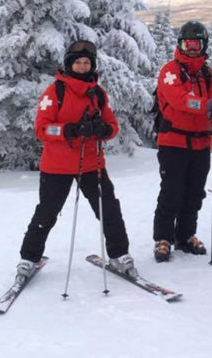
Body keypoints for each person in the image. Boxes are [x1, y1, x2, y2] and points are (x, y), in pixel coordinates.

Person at [17, 40, 137, 279]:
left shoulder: (98, 94)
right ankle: (28, 258)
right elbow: (41, 129)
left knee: (108, 209)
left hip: (92, 164)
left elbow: (113, 126)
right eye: (78, 62)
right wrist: (69, 130)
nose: (82, 67)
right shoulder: (55, 92)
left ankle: (119, 254)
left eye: (86, 63)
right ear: (69, 65)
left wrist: (104, 130)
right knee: (47, 213)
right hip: (57, 165)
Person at [152, 21, 212, 263]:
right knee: (171, 191)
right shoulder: (170, 71)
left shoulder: (209, 74)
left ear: (204, 45)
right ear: (181, 45)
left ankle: (186, 235)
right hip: (174, 141)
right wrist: (206, 105)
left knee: (195, 192)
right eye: (188, 44)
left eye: (196, 44)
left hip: (200, 143)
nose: (192, 48)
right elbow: (178, 99)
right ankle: (163, 238)